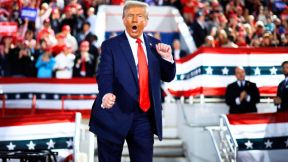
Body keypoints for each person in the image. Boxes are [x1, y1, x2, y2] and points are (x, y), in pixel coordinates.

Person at [89, 1, 176, 162]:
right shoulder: (110, 46)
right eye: (130, 16)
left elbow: (168, 76)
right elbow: (105, 74)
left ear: (146, 21)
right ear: (123, 20)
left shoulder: (156, 46)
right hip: (113, 115)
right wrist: (106, 93)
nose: (135, 20)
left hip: (144, 119)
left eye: (139, 16)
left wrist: (168, 59)